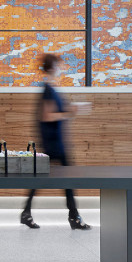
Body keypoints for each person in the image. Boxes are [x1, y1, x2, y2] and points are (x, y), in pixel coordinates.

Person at [21, 53, 92, 230]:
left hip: (55, 141)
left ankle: (27, 213)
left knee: (42, 179)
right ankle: (73, 217)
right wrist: (70, 112)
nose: (61, 69)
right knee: (65, 180)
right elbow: (47, 116)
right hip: (54, 143)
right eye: (59, 66)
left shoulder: (50, 88)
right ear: (52, 67)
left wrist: (70, 109)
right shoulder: (48, 90)